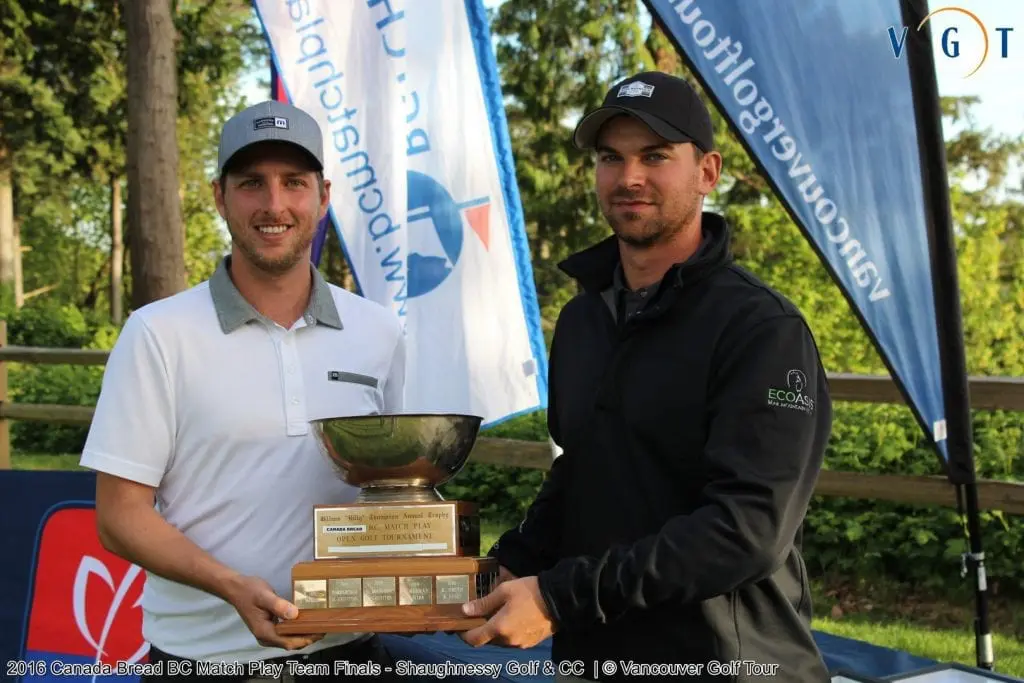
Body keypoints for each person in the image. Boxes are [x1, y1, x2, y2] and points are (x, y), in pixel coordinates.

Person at [460, 72, 833, 683]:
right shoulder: (585, 318)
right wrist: (513, 563)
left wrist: (560, 598)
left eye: (655, 156)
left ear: (707, 173)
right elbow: (582, 468)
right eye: (612, 157)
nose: (629, 177)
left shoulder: (762, 330)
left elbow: (746, 531)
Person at [80, 100, 406, 681]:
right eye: (252, 182)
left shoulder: (379, 332)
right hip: (202, 658)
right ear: (219, 196)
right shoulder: (158, 333)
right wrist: (229, 585)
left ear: (323, 196)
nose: (274, 205)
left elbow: (401, 490)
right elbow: (120, 514)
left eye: (293, 183)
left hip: (351, 650)